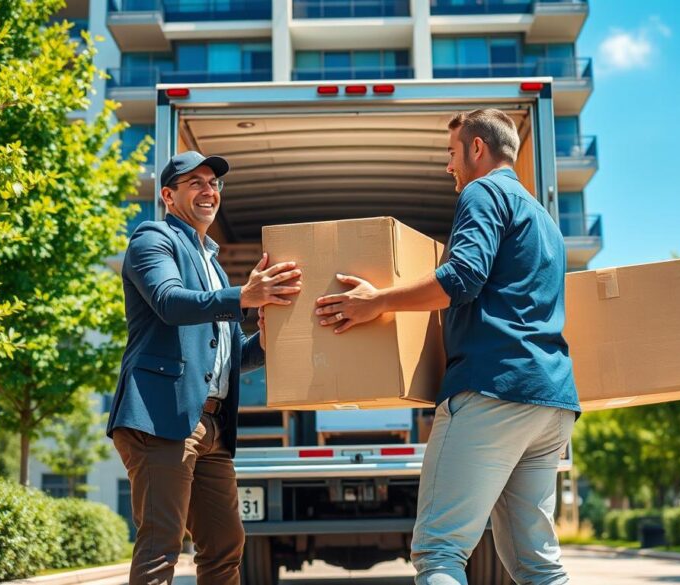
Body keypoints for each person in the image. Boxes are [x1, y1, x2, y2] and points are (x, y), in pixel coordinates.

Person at [314, 109, 580, 584]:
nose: (448, 166)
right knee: (537, 564)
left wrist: (377, 302)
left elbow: (461, 278)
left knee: (439, 552)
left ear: (477, 149)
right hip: (551, 402)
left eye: (452, 153)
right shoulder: (543, 219)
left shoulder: (484, 192)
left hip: (493, 390)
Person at [107, 151, 302, 584]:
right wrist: (244, 297)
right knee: (162, 546)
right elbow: (170, 303)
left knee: (225, 545)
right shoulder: (152, 239)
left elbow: (227, 357)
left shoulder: (211, 263)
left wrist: (265, 345)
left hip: (211, 424)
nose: (208, 190)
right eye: (194, 182)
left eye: (213, 182)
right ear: (168, 195)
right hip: (161, 417)